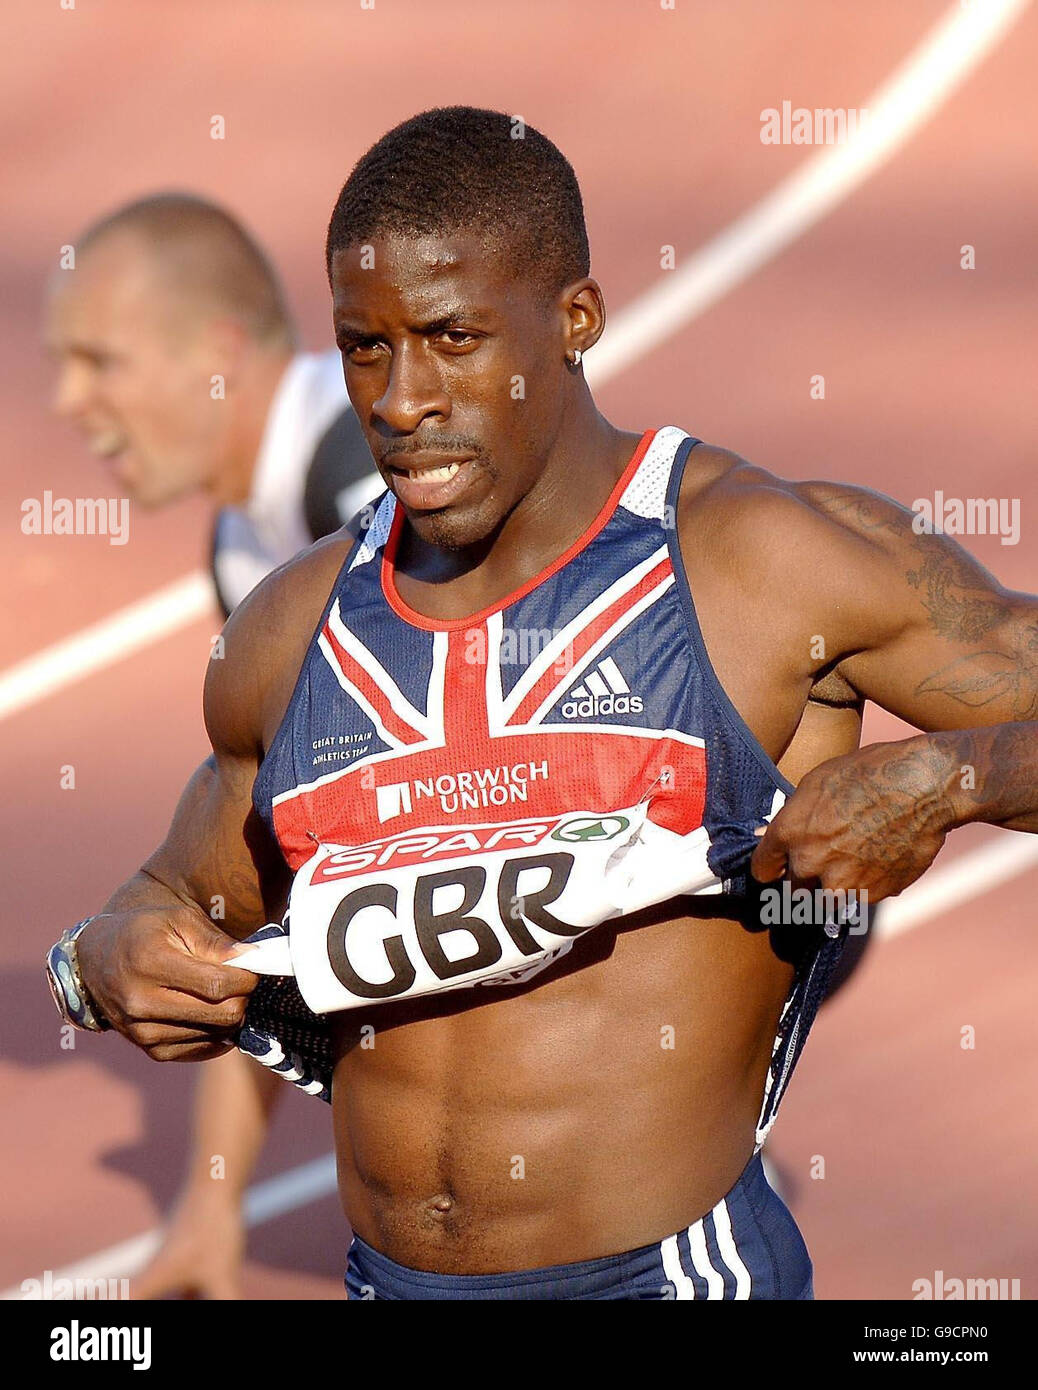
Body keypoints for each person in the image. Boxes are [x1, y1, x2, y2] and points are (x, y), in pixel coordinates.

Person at [47, 108, 1038, 1300]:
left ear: (576, 319)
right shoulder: (287, 629)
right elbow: (179, 893)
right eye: (366, 348)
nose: (402, 400)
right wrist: (100, 957)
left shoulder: (764, 561)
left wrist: (955, 779)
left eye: (452, 337)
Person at [45, 193, 379, 1298]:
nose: (68, 399)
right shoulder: (247, 549)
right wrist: (210, 1203)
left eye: (100, 360)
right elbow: (273, 862)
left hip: (751, 833)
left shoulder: (370, 465)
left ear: (221, 355)